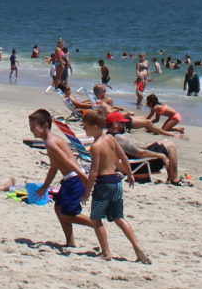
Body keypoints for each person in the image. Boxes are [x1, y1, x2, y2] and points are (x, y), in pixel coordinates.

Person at [78, 112, 151, 263]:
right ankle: (138, 248)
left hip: (104, 184)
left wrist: (87, 192)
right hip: (117, 182)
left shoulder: (96, 146)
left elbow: (93, 172)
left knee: (96, 218)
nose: (84, 130)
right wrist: (130, 175)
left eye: (86, 128)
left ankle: (106, 252)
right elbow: (123, 157)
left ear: (95, 127)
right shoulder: (111, 138)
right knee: (119, 217)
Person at [28, 110, 99, 250]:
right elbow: (54, 167)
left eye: (34, 128)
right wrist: (45, 187)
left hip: (74, 179)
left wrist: (84, 177)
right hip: (69, 180)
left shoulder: (51, 143)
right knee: (59, 208)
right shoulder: (51, 141)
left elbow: (68, 161)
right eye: (31, 128)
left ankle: (96, 224)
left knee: (68, 215)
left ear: (45, 125)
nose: (32, 132)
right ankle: (70, 241)